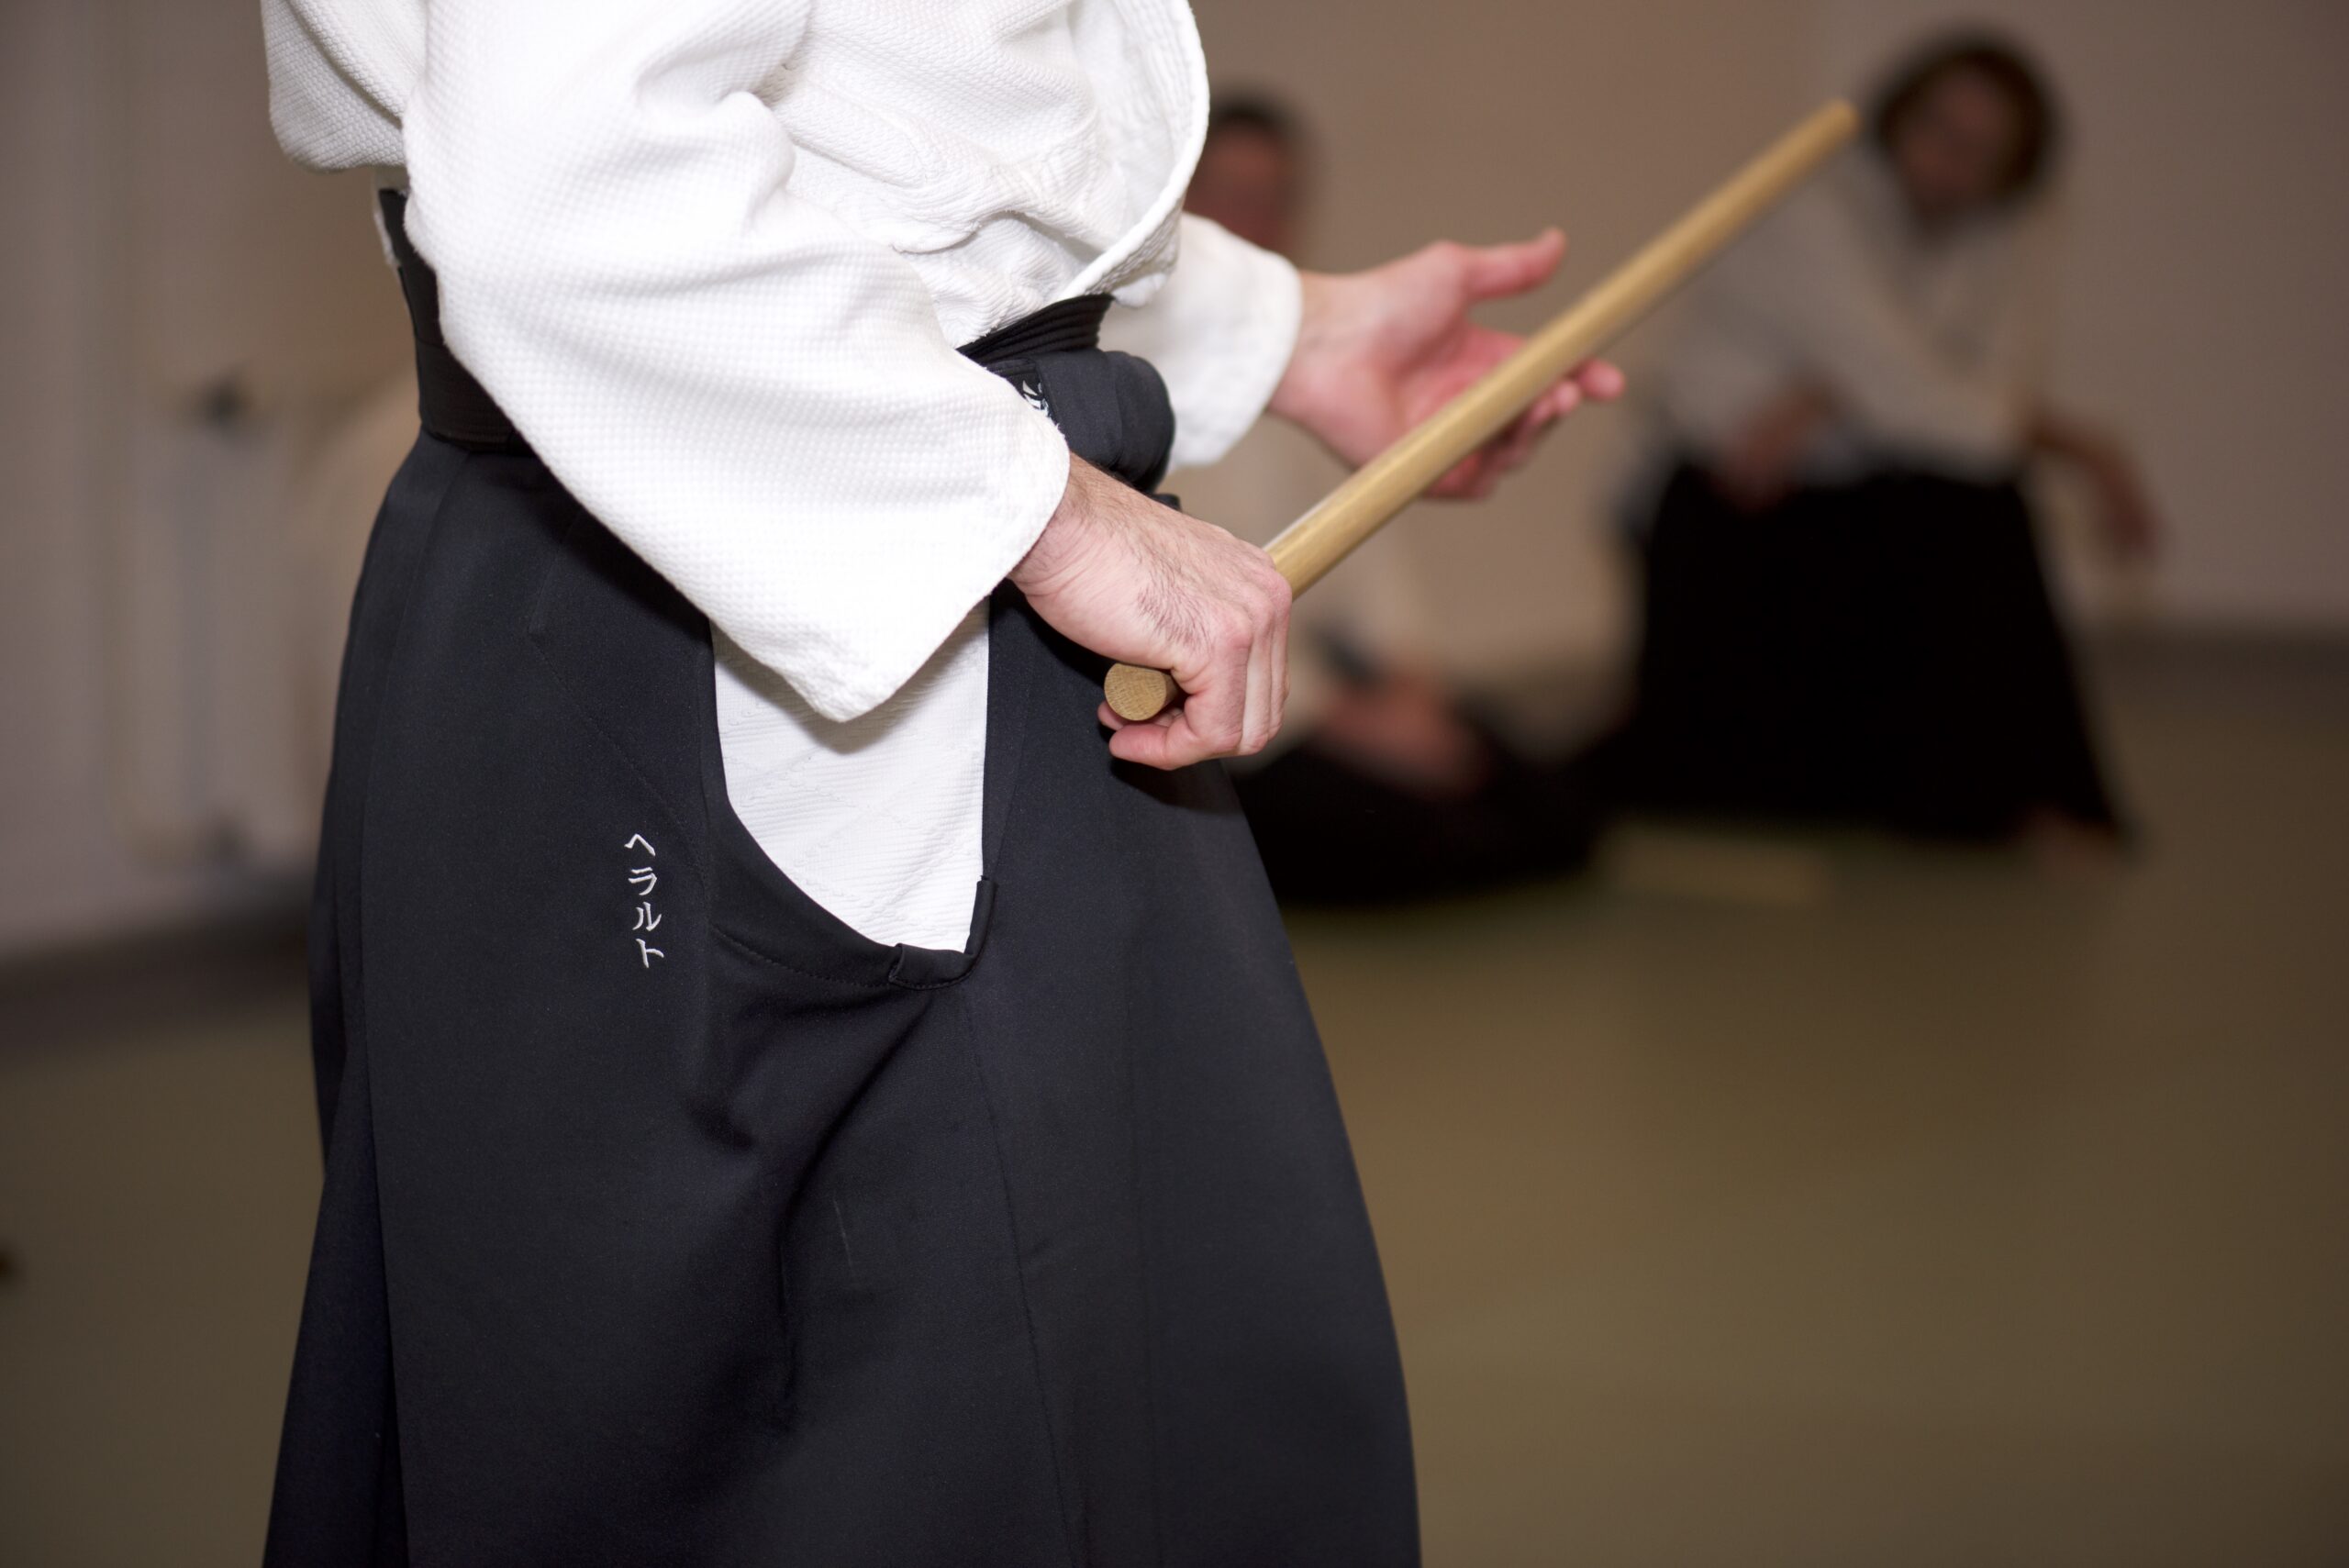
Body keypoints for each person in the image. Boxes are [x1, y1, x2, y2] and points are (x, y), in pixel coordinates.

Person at [257, 3, 1617, 1562]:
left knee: (1126, 1371)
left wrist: (1293, 334)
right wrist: (1056, 522)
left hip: (892, 557)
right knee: (832, 1428)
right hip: (774, 595)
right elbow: (571, 189)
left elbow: (893, 127)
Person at [1615, 33, 2152, 844]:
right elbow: (1922, 391)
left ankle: (2022, 795)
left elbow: (1972, 394)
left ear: (2011, 170)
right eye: (1936, 128)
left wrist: (1832, 394)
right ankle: (2025, 796)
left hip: (1849, 504)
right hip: (1730, 504)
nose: (1947, 161)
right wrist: (2088, 449)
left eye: (1978, 151)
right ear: (1900, 113)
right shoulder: (1813, 205)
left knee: (1979, 508)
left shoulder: (1989, 240)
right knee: (1975, 499)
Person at [1183, 95, 1615, 905]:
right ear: (1183, 200)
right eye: (1234, 194)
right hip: (1252, 718)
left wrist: (1412, 684)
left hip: (1339, 677)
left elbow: (1366, 550)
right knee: (1434, 842)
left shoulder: (1309, 353)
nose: (1258, 220)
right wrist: (1343, 722)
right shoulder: (1141, 370)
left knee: (1559, 813)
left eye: (1278, 197)